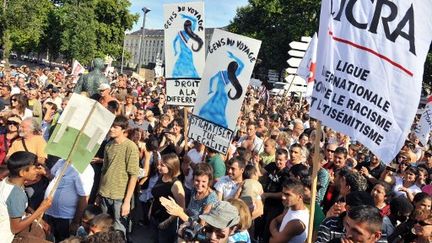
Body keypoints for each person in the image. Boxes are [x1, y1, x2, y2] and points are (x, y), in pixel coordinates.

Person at [97, 115, 140, 238]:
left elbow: (133, 175)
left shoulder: (131, 147)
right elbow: (104, 170)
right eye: (111, 126)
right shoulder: (108, 146)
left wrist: (127, 201)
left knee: (118, 232)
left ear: (123, 130)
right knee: (104, 229)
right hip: (104, 194)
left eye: (115, 127)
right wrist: (99, 193)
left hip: (120, 196)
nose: (111, 129)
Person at [0, 151, 52, 243]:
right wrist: (41, 209)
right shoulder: (15, 194)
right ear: (22, 173)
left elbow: (18, 206)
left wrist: (36, 217)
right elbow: (15, 228)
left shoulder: (8, 180)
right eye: (34, 168)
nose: (37, 171)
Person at [43, 159, 94, 242]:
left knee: (65, 240)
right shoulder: (61, 161)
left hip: (66, 217)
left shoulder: (85, 168)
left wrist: (76, 222)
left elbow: (84, 197)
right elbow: (53, 178)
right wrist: (45, 172)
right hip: (49, 213)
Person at [198, 51, 244, 128]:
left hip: (217, 95)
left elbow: (212, 79)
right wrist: (233, 57)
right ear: (235, 69)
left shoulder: (221, 73)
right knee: (219, 113)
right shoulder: (234, 75)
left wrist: (210, 89)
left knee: (206, 112)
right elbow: (242, 65)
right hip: (223, 97)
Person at [150, 153, 185, 243]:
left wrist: (167, 222)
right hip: (155, 219)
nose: (158, 167)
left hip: (166, 224)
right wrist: (150, 211)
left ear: (171, 167)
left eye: (162, 165)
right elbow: (156, 197)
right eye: (159, 164)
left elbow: (181, 208)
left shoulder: (176, 185)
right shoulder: (161, 177)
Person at [269, 178, 309, 243]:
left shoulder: (297, 222)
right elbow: (275, 220)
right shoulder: (290, 208)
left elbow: (273, 241)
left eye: (287, 194)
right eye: (283, 193)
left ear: (300, 197)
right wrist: (276, 234)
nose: (283, 197)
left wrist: (274, 236)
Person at [172, 14, 203, 78]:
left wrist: (175, 51)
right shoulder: (191, 31)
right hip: (188, 52)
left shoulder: (180, 33)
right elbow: (195, 20)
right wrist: (186, 16)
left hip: (183, 52)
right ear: (191, 26)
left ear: (184, 26)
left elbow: (174, 41)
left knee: (178, 68)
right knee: (190, 67)